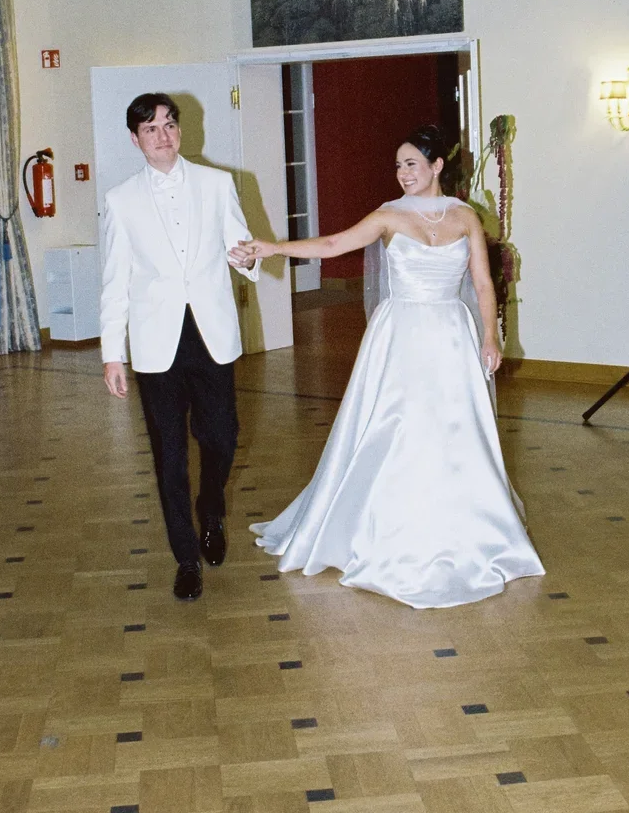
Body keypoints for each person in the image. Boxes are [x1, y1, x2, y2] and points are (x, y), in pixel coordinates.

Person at [229, 124, 544, 609]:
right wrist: (273, 248)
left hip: (452, 334)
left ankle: (470, 525)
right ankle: (388, 527)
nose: (402, 174)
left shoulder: (466, 218)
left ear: (437, 166)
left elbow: (483, 284)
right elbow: (333, 245)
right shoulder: (387, 216)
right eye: (397, 165)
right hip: (401, 335)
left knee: (456, 430)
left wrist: (490, 334)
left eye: (411, 164)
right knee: (398, 427)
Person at [101, 93, 257, 601]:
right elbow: (115, 282)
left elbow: (243, 251)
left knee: (222, 438)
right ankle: (185, 557)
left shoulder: (217, 184)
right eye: (151, 130)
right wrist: (111, 352)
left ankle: (211, 507)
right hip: (155, 342)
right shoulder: (121, 200)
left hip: (211, 335)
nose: (162, 136)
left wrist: (248, 259)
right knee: (169, 455)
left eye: (169, 125)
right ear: (135, 139)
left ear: (180, 131)